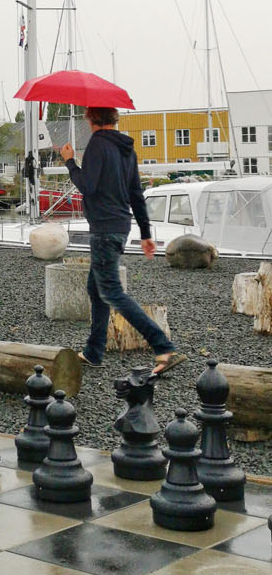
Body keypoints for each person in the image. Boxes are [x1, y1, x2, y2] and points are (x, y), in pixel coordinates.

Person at [60, 108, 184, 377]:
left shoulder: (97, 145)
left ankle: (162, 345)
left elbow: (88, 186)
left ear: (91, 118)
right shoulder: (126, 148)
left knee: (111, 292)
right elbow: (136, 194)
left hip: (104, 228)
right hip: (120, 225)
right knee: (96, 288)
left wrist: (70, 162)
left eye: (86, 114)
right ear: (114, 118)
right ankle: (94, 351)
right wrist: (146, 234)